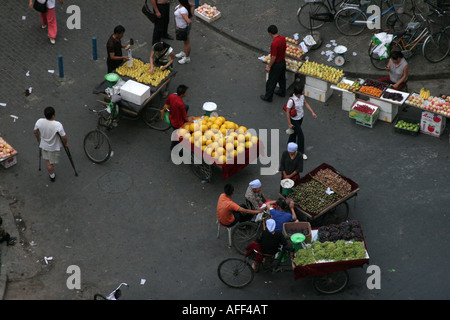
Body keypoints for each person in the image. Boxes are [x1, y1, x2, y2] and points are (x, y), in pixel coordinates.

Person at [34, 106, 68, 182]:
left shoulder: (39, 121)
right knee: (51, 162)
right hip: (53, 146)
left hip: (44, 145)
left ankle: (52, 175)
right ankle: (52, 176)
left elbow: (35, 131)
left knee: (48, 161)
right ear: (54, 115)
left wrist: (38, 140)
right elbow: (64, 136)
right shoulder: (57, 125)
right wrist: (65, 144)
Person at [286, 85, 317, 160]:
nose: (304, 91)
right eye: (303, 90)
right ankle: (301, 152)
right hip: (294, 119)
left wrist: (312, 112)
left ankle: (289, 146)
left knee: (294, 133)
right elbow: (287, 112)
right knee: (300, 135)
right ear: (299, 93)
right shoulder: (291, 101)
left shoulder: (302, 97)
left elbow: (305, 103)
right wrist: (289, 123)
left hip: (300, 117)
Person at [260, 25, 286, 102]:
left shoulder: (274, 43)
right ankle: (282, 92)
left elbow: (273, 57)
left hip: (277, 64)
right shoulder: (283, 38)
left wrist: (269, 66)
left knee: (271, 81)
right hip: (282, 62)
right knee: (282, 78)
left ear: (270, 34)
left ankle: (268, 97)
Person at [164, 85, 194, 150]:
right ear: (182, 94)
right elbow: (186, 118)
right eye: (186, 92)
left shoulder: (172, 96)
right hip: (177, 123)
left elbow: (167, 102)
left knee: (186, 106)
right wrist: (190, 118)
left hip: (172, 115)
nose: (187, 93)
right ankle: (173, 148)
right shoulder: (181, 104)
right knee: (177, 136)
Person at [174, 0, 194, 64]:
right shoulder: (182, 6)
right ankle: (184, 52)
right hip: (181, 27)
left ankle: (187, 57)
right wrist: (190, 14)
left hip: (183, 28)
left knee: (187, 42)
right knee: (185, 42)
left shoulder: (182, 10)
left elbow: (188, 21)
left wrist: (187, 18)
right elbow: (192, 5)